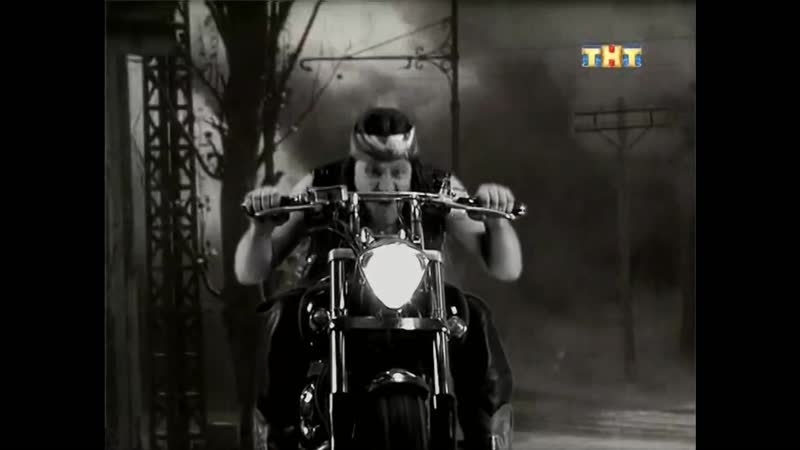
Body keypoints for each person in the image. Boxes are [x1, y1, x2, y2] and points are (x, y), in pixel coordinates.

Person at [236, 107, 522, 449]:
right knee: (284, 315)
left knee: (473, 314)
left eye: (397, 172)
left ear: (410, 165)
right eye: (373, 171)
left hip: (418, 300)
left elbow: (506, 268)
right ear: (355, 164)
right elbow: (250, 272)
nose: (386, 184)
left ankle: (488, 438)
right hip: (331, 297)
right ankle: (275, 439)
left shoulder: (436, 187)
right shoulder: (322, 183)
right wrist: (260, 229)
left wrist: (496, 221)